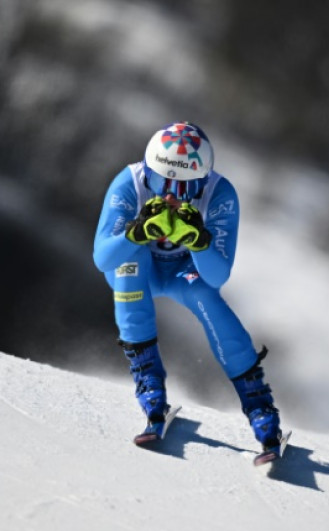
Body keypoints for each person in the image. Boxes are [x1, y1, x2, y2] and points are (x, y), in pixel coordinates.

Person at [93, 121, 281, 451]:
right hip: (142, 269)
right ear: (146, 171)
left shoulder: (220, 194)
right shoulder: (129, 183)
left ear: (203, 182)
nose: (169, 195)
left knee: (208, 300)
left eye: (182, 189)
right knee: (127, 268)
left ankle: (258, 404)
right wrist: (135, 233)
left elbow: (217, 276)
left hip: (186, 275)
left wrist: (198, 241)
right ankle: (149, 382)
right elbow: (103, 259)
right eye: (160, 182)